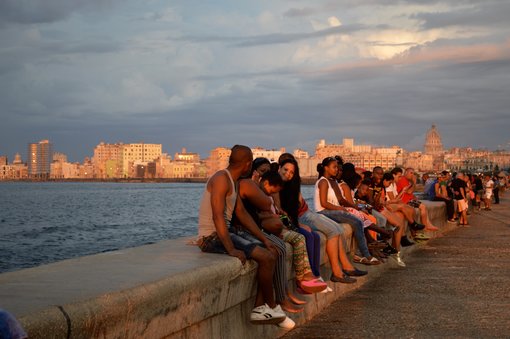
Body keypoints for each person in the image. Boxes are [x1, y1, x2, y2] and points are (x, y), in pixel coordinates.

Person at [197, 145, 287, 326]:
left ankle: (260, 308)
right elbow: (217, 216)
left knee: (274, 251)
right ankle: (270, 306)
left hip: (226, 231)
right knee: (266, 258)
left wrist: (264, 239)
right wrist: (231, 248)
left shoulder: (233, 180)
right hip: (211, 237)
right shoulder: (221, 178)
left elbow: (243, 215)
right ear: (247, 164)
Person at [277, 156, 365, 284]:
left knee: (338, 229)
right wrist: (298, 224)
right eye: (285, 170)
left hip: (307, 213)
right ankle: (337, 272)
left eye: (291, 172)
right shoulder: (277, 186)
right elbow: (282, 211)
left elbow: (299, 204)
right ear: (279, 168)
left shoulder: (292, 184)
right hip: (302, 217)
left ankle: (346, 266)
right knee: (333, 232)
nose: (288, 174)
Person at [235, 157, 305, 314]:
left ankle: (279, 296)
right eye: (262, 172)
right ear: (253, 172)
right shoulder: (249, 186)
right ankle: (279, 298)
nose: (264, 175)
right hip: (251, 230)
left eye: (267, 172)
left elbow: (272, 210)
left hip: (261, 229)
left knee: (281, 246)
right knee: (278, 248)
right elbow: (260, 210)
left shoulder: (264, 190)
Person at [314, 157, 380, 265]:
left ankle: (362, 252)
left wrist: (354, 206)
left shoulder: (333, 181)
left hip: (333, 210)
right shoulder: (323, 182)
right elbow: (323, 203)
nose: (337, 170)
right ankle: (366, 254)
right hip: (323, 212)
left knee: (356, 219)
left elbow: (341, 199)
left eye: (337, 167)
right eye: (334, 167)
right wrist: (340, 208)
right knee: (357, 222)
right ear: (326, 168)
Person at [395, 168, 439, 232]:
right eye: (411, 173)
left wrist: (414, 196)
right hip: (405, 201)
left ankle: (428, 224)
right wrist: (414, 182)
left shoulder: (407, 180)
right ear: (406, 173)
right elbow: (409, 191)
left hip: (408, 199)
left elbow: (410, 193)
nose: (412, 175)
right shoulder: (403, 180)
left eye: (413, 173)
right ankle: (425, 227)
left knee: (423, 207)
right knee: (422, 207)